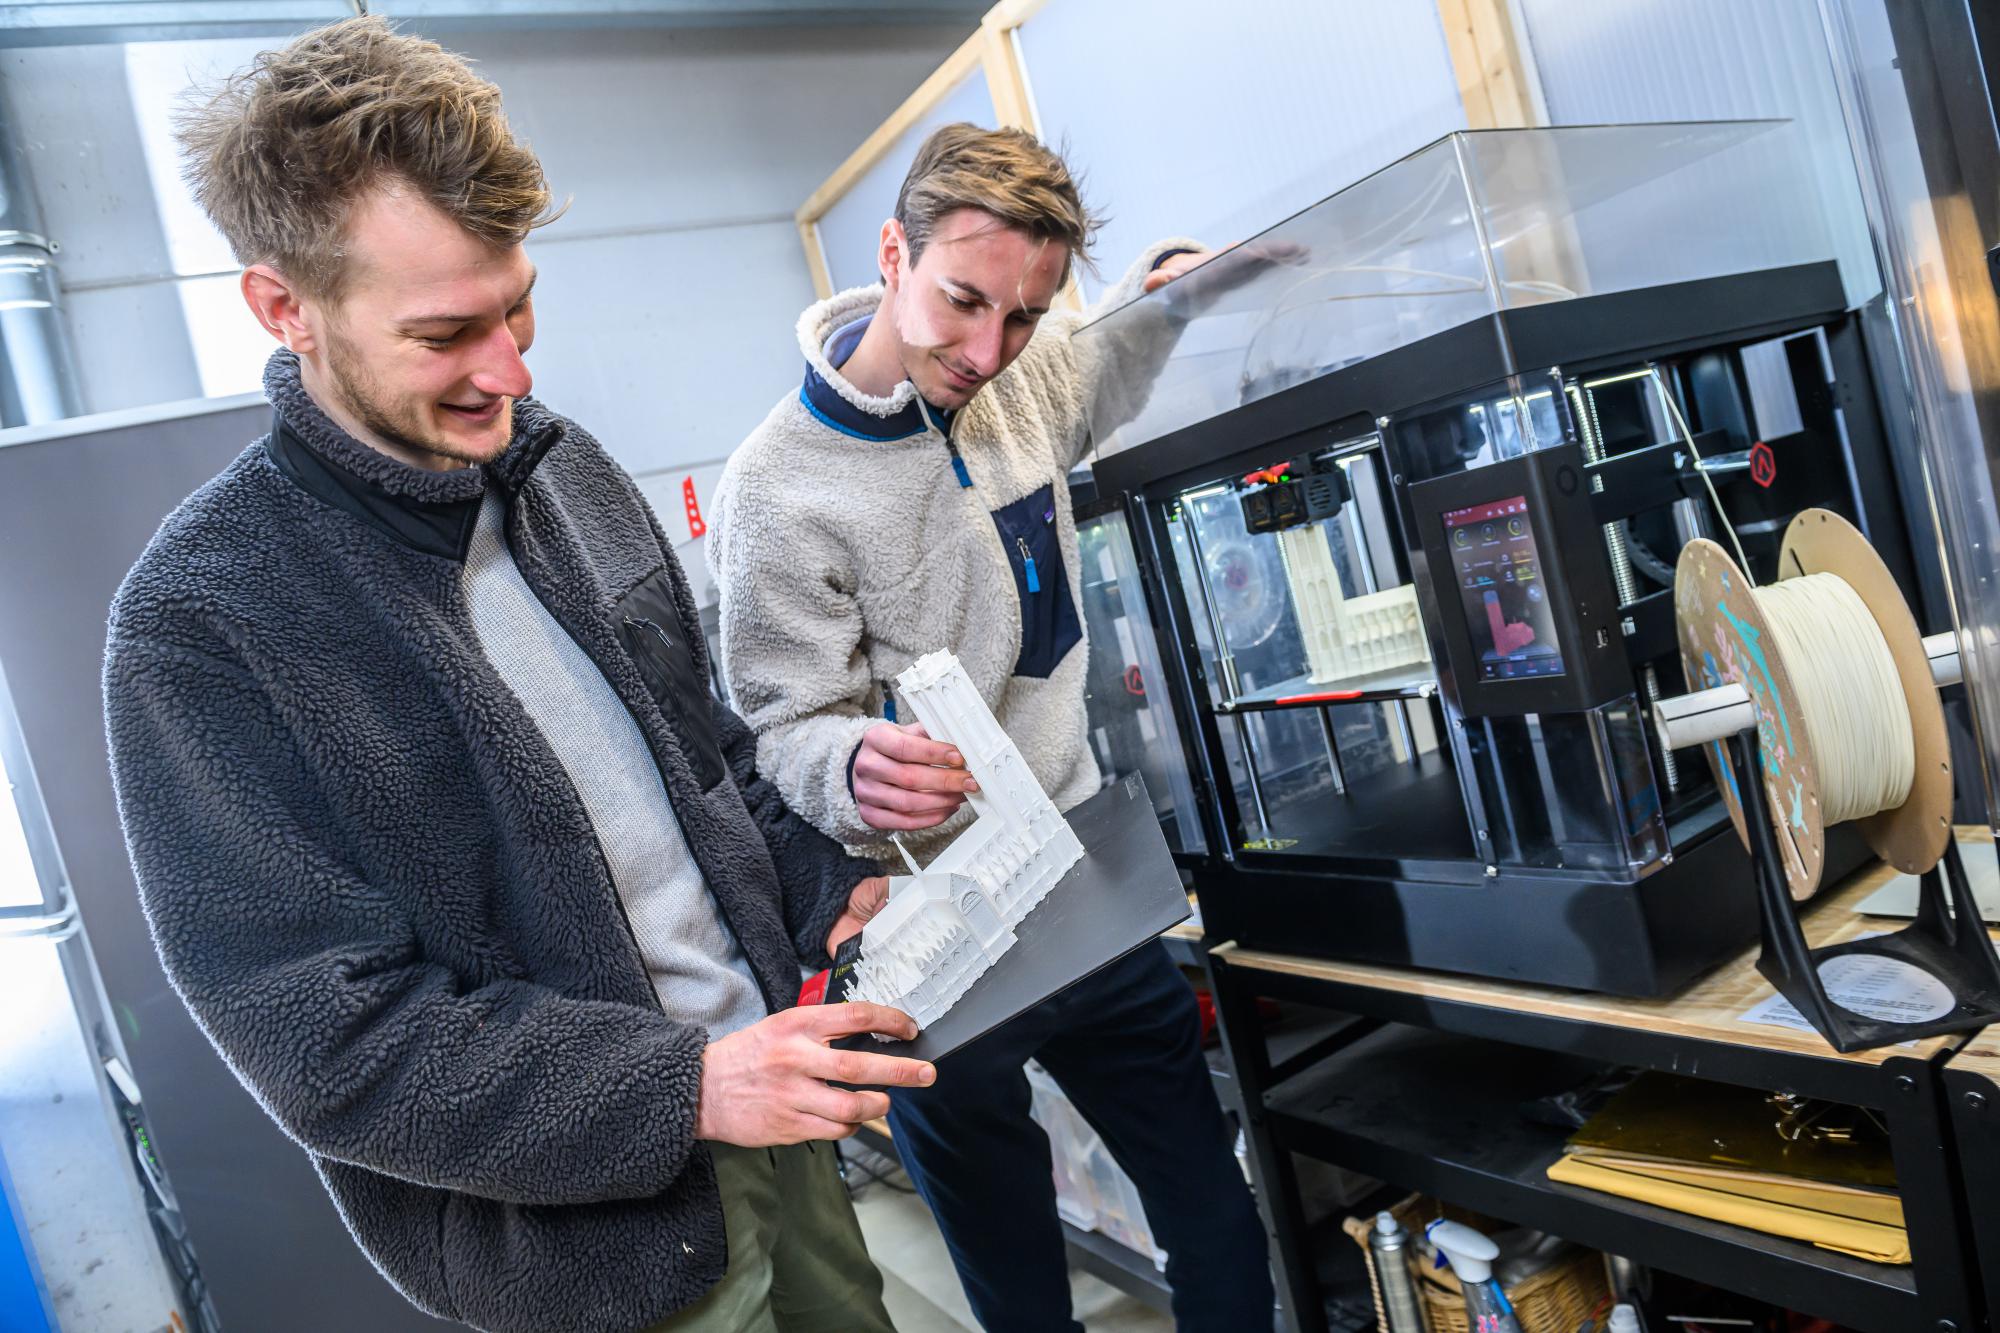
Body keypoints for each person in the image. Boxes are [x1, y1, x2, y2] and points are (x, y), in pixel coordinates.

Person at [102, 18, 929, 1333]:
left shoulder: (565, 471)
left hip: (788, 1133)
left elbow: (707, 760)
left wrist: (830, 888)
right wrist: (686, 1091)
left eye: (519, 303)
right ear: (283, 307)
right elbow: (331, 1040)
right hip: (603, 1265)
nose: (512, 371)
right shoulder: (205, 621)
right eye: (445, 333)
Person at [709, 123, 1275, 1333]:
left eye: (1021, 316)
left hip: (1081, 881)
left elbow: (1098, 364)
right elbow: (782, 725)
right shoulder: (777, 487)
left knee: (1215, 1216)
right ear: (891, 252)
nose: (985, 350)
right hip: (930, 936)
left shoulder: (1022, 377)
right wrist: (853, 767)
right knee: (1017, 1283)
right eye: (961, 302)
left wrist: (1162, 296)